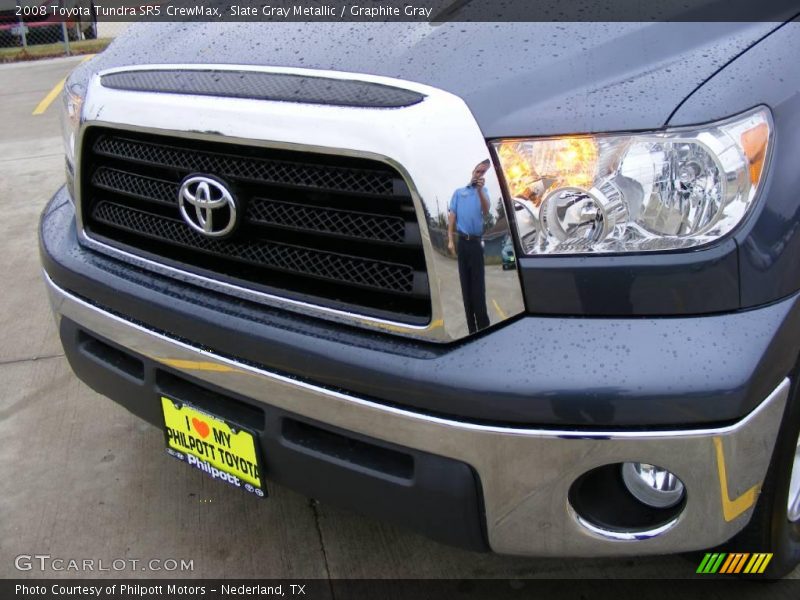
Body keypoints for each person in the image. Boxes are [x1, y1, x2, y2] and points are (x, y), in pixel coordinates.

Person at [448, 160, 491, 333]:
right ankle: (471, 328)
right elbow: (452, 216)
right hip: (462, 243)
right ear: (473, 171)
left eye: (483, 173)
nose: (479, 174)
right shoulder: (459, 193)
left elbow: (486, 210)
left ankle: (483, 327)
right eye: (478, 171)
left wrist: (480, 191)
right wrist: (450, 239)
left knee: (478, 287)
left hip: (475, 243)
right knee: (465, 286)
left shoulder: (484, 191)